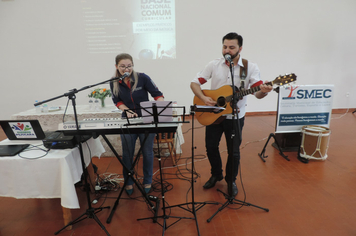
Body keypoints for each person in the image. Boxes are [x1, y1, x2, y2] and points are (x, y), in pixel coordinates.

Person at [190, 32, 273, 196]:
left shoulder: (250, 67)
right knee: (211, 147)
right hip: (214, 114)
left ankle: (231, 180)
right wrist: (203, 98)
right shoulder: (214, 64)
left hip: (235, 117)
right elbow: (194, 83)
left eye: (231, 47)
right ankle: (216, 174)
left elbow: (257, 92)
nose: (227, 50)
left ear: (240, 48)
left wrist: (264, 91)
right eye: (225, 47)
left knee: (234, 152)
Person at [110, 53, 164, 195]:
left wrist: (159, 107)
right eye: (122, 66)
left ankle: (148, 181)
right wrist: (126, 110)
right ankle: (128, 182)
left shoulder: (143, 77)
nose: (126, 69)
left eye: (129, 66)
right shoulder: (114, 81)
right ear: (116, 66)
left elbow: (158, 95)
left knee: (147, 152)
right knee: (127, 154)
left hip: (146, 119)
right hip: (128, 120)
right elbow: (117, 101)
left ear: (133, 65)